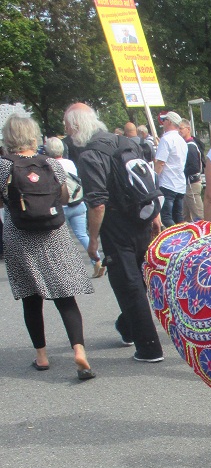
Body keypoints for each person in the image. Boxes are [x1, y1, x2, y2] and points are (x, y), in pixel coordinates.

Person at [64, 102, 164, 363]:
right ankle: (128, 327)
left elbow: (97, 203)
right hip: (141, 216)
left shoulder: (89, 156)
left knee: (128, 284)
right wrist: (155, 215)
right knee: (141, 278)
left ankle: (149, 348)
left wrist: (92, 240)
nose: (67, 133)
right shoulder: (126, 142)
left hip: (117, 224)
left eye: (67, 127)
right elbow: (147, 179)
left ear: (75, 126)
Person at [1, 115, 95, 379]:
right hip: (53, 234)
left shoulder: (3, 165)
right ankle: (79, 350)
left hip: (19, 234)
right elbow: (64, 197)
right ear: (33, 135)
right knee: (65, 296)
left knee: (31, 298)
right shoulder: (51, 163)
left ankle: (41, 356)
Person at [44, 136, 106, 278]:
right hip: (78, 203)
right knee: (82, 235)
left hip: (61, 206)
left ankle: (66, 271)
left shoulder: (49, 165)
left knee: (60, 239)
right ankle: (96, 260)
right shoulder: (70, 163)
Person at [154, 111, 187, 227]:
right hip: (180, 183)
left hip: (167, 183)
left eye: (164, 120)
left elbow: (160, 163)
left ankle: (175, 236)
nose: (162, 123)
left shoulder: (166, 139)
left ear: (169, 122)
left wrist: (153, 179)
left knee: (166, 217)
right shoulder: (182, 141)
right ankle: (185, 235)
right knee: (178, 216)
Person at [178, 119, 204, 222]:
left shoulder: (191, 146)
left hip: (192, 184)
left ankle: (205, 230)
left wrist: (180, 172)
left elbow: (195, 167)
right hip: (187, 184)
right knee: (185, 215)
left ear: (188, 129)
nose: (179, 131)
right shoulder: (186, 144)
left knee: (198, 214)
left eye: (181, 128)